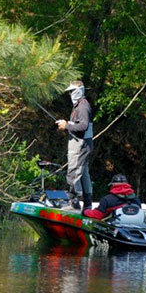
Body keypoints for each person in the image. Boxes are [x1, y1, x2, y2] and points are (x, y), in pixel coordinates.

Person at [56, 80, 93, 210]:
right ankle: (88, 205)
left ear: (79, 91)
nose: (70, 94)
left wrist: (66, 126)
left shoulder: (82, 106)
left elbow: (83, 126)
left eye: (72, 91)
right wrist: (67, 123)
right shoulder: (80, 105)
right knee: (84, 174)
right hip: (82, 144)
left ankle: (74, 203)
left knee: (74, 173)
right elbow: (77, 124)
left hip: (81, 145)